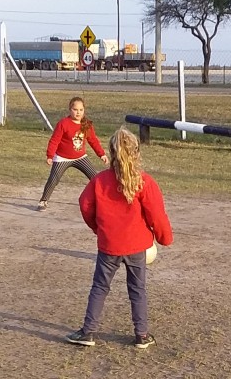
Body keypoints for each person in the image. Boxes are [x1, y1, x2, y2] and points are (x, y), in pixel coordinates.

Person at [67, 126, 173, 349]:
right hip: (136, 246)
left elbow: (85, 205)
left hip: (109, 245)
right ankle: (141, 335)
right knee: (137, 289)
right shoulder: (144, 181)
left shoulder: (99, 181)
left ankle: (87, 332)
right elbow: (156, 214)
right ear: (136, 152)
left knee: (99, 287)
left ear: (112, 153)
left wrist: (98, 228)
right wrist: (165, 238)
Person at [37, 96, 108, 210]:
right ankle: (43, 201)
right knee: (54, 179)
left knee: (94, 177)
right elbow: (54, 140)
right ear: (70, 110)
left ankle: (104, 199)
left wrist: (101, 154)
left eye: (81, 110)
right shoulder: (63, 123)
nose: (78, 112)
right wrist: (50, 155)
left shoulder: (87, 124)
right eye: (75, 109)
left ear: (84, 110)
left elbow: (93, 140)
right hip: (62, 158)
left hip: (80, 157)